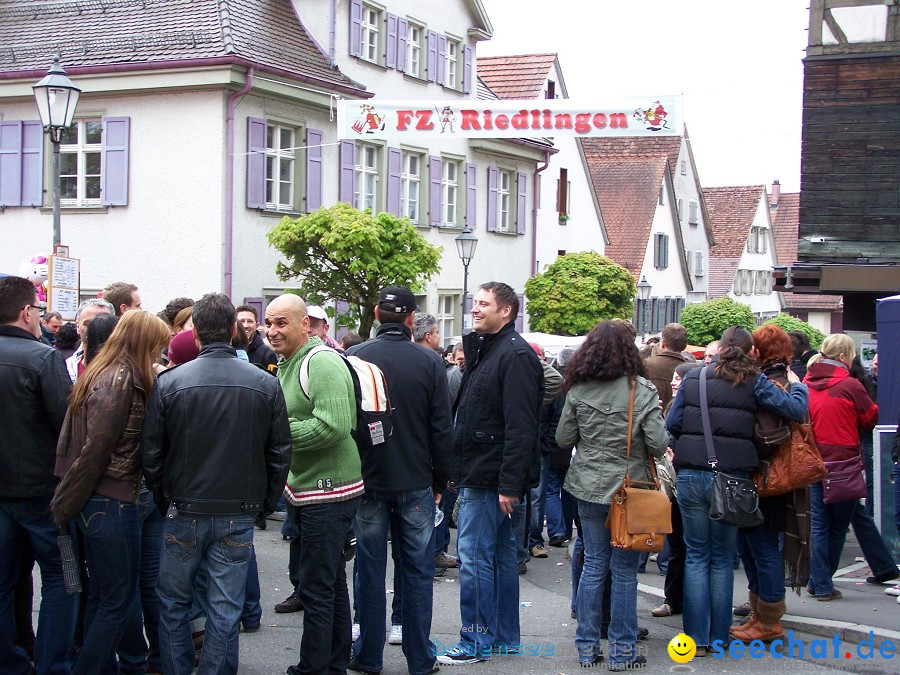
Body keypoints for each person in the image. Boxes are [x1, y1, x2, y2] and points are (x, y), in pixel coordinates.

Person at [142, 293, 291, 675]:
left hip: (186, 507)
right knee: (224, 607)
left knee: (174, 603)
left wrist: (165, 499)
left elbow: (153, 454)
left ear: (195, 334)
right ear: (231, 330)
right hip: (236, 509)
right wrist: (262, 502)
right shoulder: (264, 383)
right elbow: (279, 453)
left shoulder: (172, 382)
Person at [666, 325, 808, 655]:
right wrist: (799, 386)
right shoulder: (753, 380)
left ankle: (695, 640)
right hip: (732, 478)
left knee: (696, 556)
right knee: (720, 559)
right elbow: (795, 410)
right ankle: (718, 639)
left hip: (690, 475)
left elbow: (672, 423)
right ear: (750, 351)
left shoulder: (693, 378)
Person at [51, 311, 170, 675]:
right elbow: (95, 449)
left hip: (103, 499)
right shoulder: (120, 378)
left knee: (105, 597)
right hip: (110, 500)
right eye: (157, 346)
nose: (159, 354)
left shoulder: (107, 371)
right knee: (116, 600)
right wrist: (64, 505)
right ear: (143, 342)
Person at [345, 286, 451, 675]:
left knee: (369, 568)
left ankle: (369, 654)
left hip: (369, 478)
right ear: (411, 319)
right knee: (417, 570)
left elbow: (347, 423)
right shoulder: (429, 361)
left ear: (376, 314)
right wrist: (441, 479)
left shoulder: (354, 357)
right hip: (415, 478)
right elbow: (441, 428)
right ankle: (419, 657)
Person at [437, 282, 543, 665]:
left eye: (484, 304)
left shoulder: (512, 355)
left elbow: (521, 426)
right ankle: (500, 638)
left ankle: (476, 641)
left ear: (507, 312)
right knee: (496, 558)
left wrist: (509, 484)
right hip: (485, 473)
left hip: (491, 478)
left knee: (475, 557)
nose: (475, 309)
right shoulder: (491, 351)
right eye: (474, 303)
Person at [555, 320, 667, 669]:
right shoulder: (642, 390)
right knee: (623, 572)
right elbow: (659, 444)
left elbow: (563, 440)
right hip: (629, 488)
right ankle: (622, 651)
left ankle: (587, 647)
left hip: (587, 487)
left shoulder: (578, 390)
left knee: (592, 566)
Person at [264, 294, 362, 675]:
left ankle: (313, 668)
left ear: (306, 324)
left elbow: (334, 425)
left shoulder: (320, 362)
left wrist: (274, 433)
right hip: (309, 489)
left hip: (329, 490)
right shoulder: (289, 363)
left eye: (282, 322)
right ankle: (333, 663)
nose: (272, 330)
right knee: (329, 582)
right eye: (269, 322)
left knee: (318, 588)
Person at [0, 276, 76, 675]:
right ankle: (52, 664)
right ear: (27, 312)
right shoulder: (43, 359)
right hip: (43, 496)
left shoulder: (40, 356)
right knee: (64, 580)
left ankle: (11, 662)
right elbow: (67, 425)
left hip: (11, 495)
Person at [729, 324, 806, 642]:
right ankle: (760, 614)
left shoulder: (769, 383)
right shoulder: (782, 380)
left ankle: (769, 622)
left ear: (757, 352)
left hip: (764, 477)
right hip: (770, 478)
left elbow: (787, 420)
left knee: (760, 548)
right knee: (754, 547)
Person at [805, 334, 879, 601]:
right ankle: (822, 583)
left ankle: (818, 582)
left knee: (819, 525)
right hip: (844, 460)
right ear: (844, 356)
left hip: (813, 459)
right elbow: (870, 416)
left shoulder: (807, 383)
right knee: (838, 525)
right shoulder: (850, 385)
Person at [650, 361, 700, 620]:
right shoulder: (671, 406)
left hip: (686, 479)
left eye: (678, 378)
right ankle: (674, 599)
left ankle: (689, 601)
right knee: (677, 544)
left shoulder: (694, 409)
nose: (672, 382)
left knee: (692, 547)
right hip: (674, 481)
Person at [66, 298, 115, 381]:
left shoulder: (124, 370)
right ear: (78, 327)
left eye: (102, 322)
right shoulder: (66, 367)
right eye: (88, 324)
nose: (95, 328)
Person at [643, 323, 690, 410]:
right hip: (679, 419)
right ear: (684, 346)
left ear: (663, 343)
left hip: (651, 417)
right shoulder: (692, 370)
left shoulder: (646, 364)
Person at [236, 305, 278, 373]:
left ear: (257, 326)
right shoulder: (228, 350)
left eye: (250, 321)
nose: (245, 325)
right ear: (234, 325)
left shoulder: (267, 355)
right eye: (242, 321)